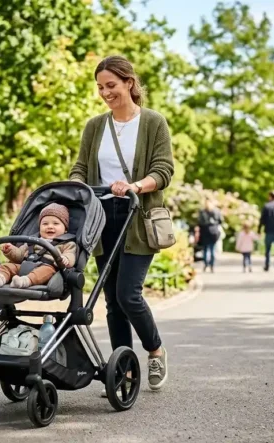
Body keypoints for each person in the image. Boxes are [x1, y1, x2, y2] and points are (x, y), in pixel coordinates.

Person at [69, 55, 174, 392]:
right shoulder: (94, 126)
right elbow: (80, 168)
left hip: (137, 215)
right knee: (111, 299)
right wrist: (74, 189)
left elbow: (163, 170)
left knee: (129, 294)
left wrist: (135, 186)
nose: (105, 92)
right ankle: (123, 368)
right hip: (102, 216)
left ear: (129, 82)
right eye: (100, 87)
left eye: (111, 85)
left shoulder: (154, 122)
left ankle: (155, 350)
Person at [0, 203, 76, 289]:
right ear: (40, 227)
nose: (50, 226)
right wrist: (10, 250)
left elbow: (70, 255)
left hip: (47, 268)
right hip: (24, 265)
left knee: (45, 271)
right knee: (6, 266)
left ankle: (25, 281)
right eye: (45, 224)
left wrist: (65, 258)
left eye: (56, 223)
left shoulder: (67, 243)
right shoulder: (32, 241)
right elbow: (19, 255)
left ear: (65, 229)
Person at [197, 200, 223, 273]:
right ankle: (211, 265)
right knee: (212, 249)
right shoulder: (217, 211)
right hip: (213, 231)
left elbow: (199, 222)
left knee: (205, 250)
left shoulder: (202, 212)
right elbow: (220, 221)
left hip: (205, 231)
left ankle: (206, 264)